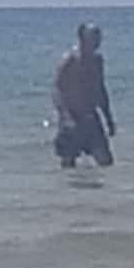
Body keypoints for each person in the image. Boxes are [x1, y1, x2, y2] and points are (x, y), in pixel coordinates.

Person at [52, 23, 115, 167]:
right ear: (81, 38)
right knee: (68, 162)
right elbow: (57, 89)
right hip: (71, 117)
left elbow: (100, 90)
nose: (97, 41)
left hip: (91, 117)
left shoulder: (97, 61)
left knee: (105, 161)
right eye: (93, 37)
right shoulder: (70, 60)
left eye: (98, 37)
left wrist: (108, 118)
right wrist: (65, 115)